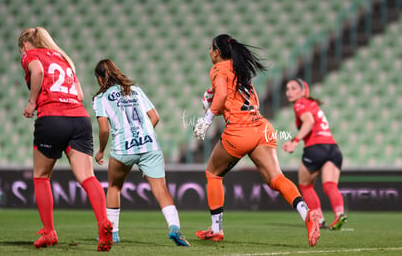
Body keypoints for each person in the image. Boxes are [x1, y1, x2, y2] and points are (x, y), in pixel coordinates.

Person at [193, 34, 320, 247]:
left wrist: (206, 120)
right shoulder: (240, 69)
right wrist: (212, 98)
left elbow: (222, 94)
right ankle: (306, 214)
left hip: (239, 131)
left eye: (210, 48)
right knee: (276, 178)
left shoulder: (218, 69)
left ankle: (216, 229)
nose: (209, 52)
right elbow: (246, 99)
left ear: (217, 52)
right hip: (261, 127)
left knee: (213, 174)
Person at [18, 27, 113, 251]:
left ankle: (49, 231)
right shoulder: (63, 59)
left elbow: (38, 71)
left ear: (25, 45)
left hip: (52, 117)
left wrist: (32, 101)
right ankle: (103, 222)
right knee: (87, 177)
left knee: (41, 176)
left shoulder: (30, 55)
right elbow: (79, 95)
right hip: (79, 118)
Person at [92, 59, 190, 247]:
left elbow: (104, 130)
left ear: (99, 79)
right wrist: (144, 135)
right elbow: (155, 117)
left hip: (123, 147)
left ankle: (113, 234)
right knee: (161, 189)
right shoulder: (135, 90)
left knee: (114, 187)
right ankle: (174, 227)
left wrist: (101, 151)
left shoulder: (101, 98)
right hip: (149, 145)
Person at [282, 78, 347, 230]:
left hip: (316, 148)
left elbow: (309, 121)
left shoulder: (300, 104)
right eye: (287, 89)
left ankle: (319, 219)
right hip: (333, 148)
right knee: (330, 185)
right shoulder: (313, 104)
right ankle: (339, 213)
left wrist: (294, 141)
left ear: (304, 91)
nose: (289, 92)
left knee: (305, 185)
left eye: (293, 88)